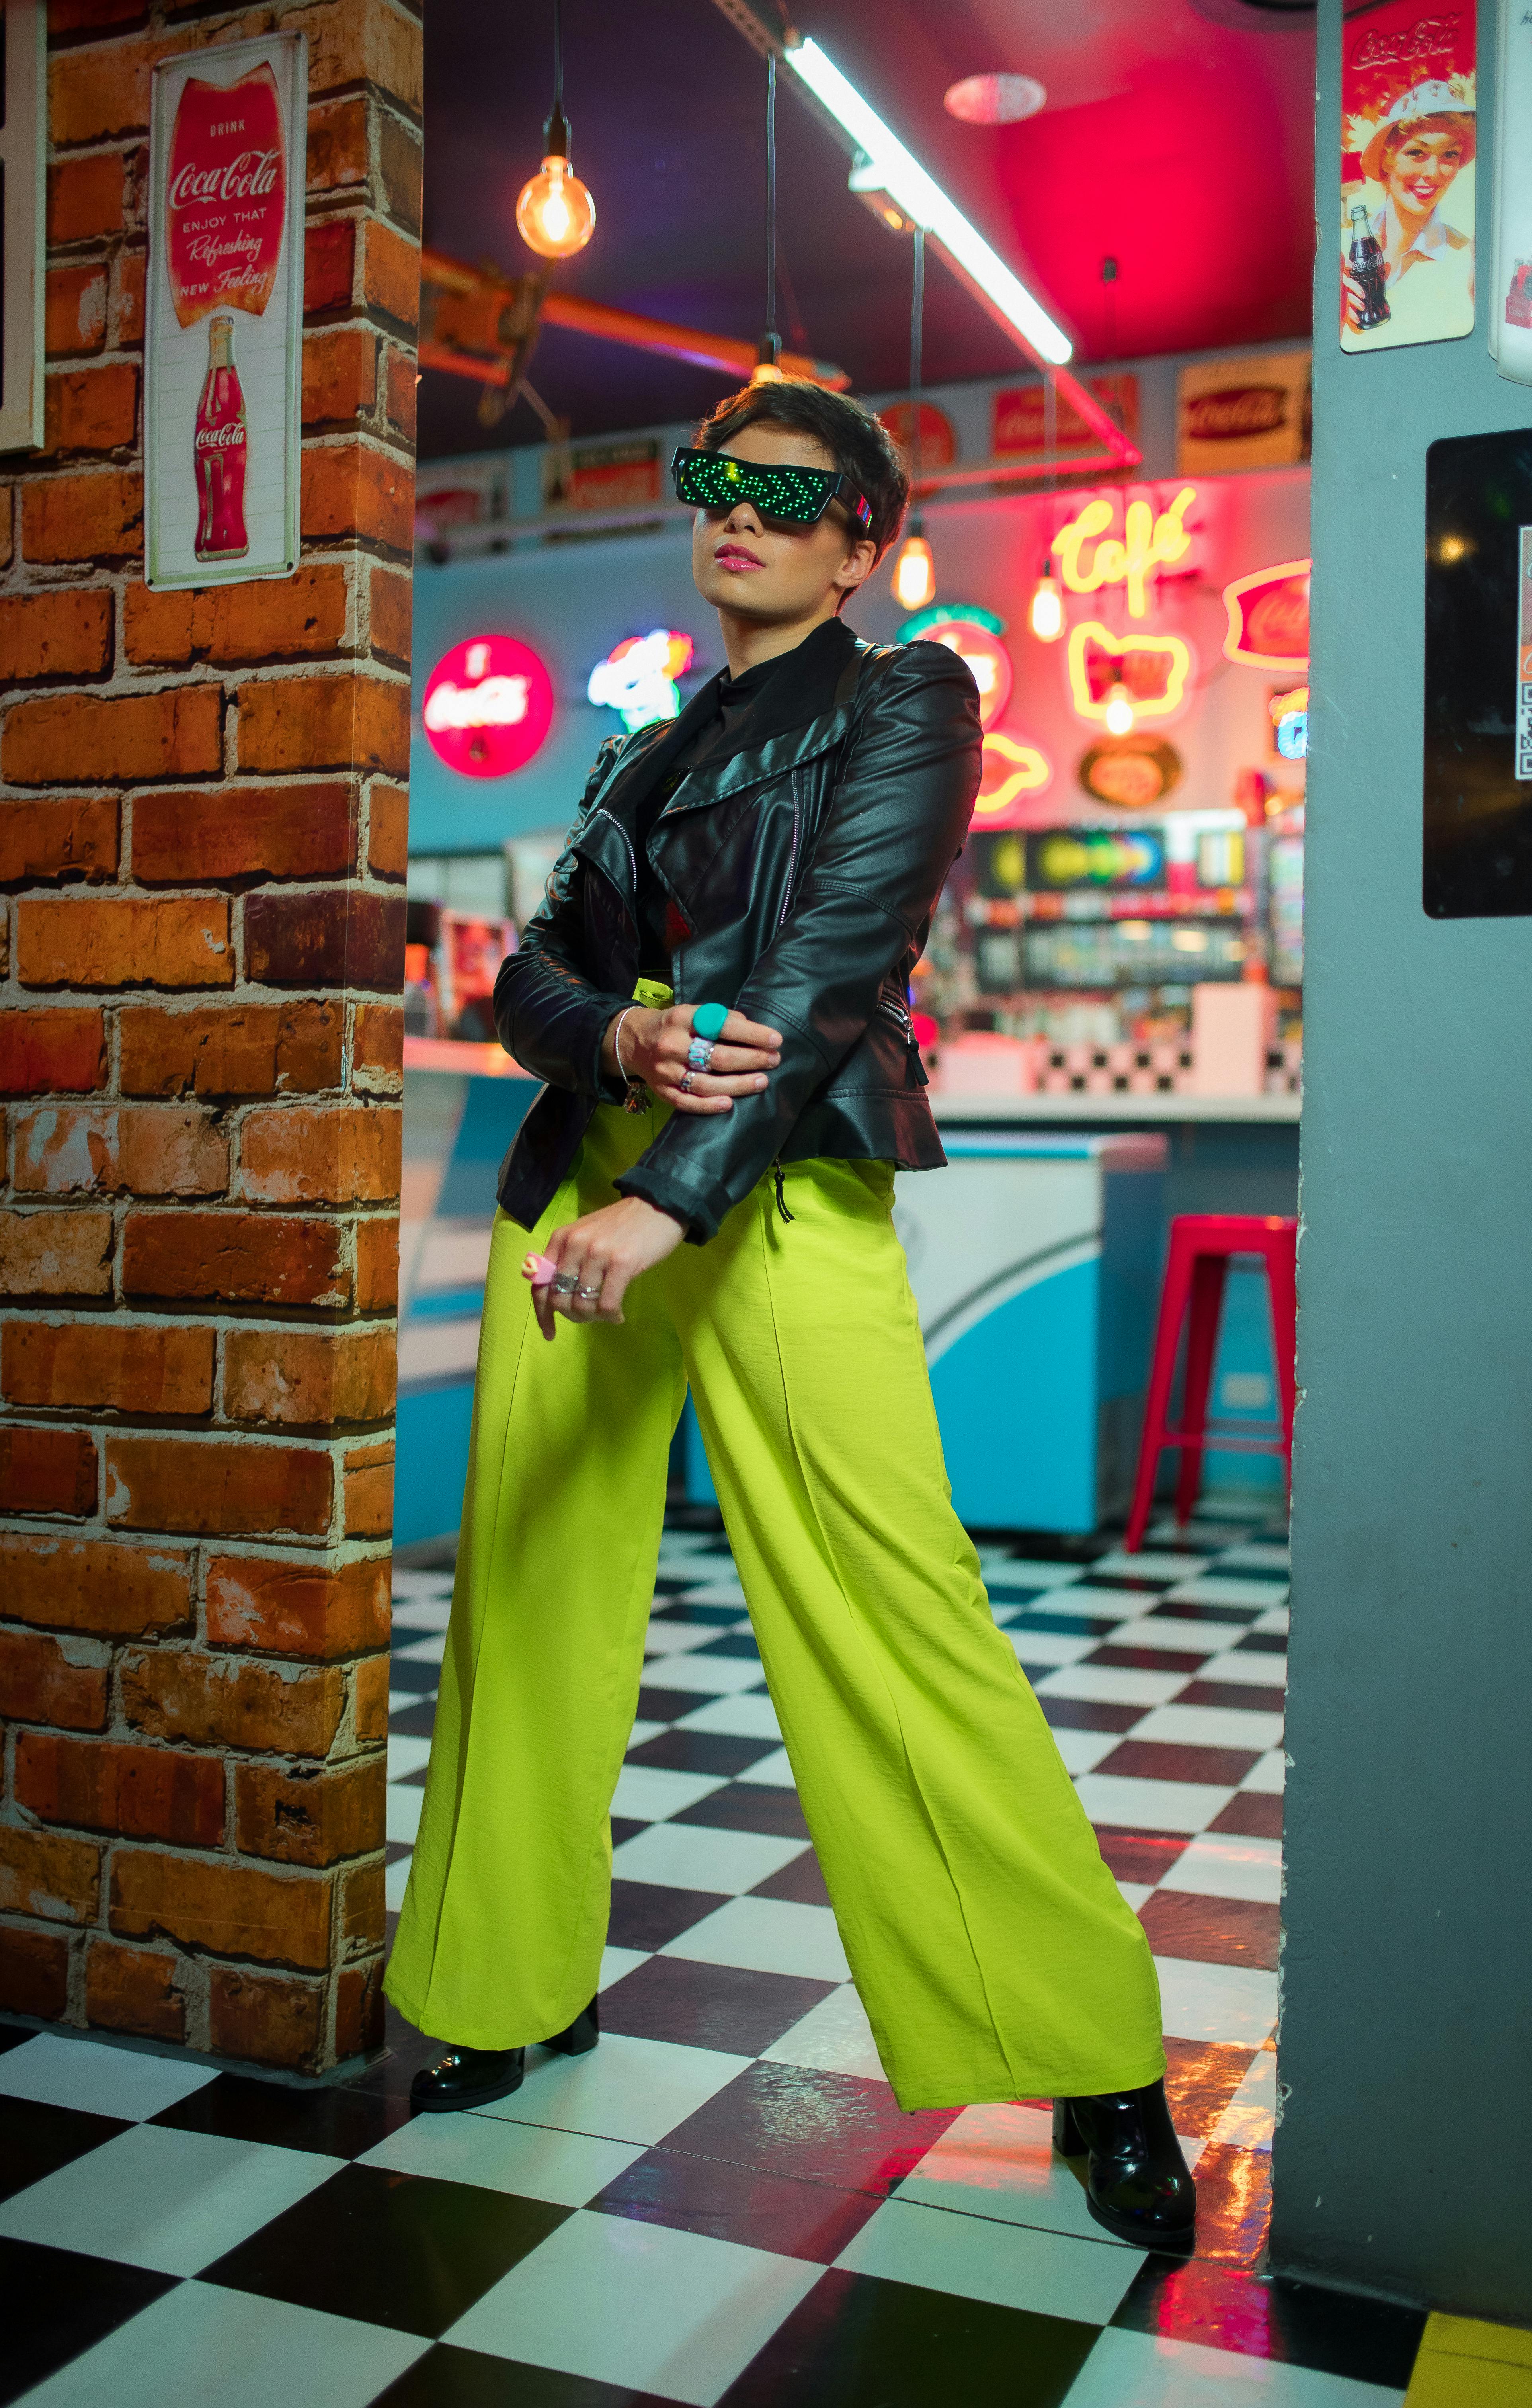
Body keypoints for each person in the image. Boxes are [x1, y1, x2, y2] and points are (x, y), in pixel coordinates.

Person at [384, 378, 1195, 2248]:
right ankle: (512, 1985)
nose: (738, 510)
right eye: (713, 480)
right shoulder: (642, 758)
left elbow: (836, 967)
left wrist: (673, 1199)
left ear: (859, 542)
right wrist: (621, 1032)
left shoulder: (907, 694)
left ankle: (1094, 2053)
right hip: (587, 1190)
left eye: (788, 491)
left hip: (763, 1201)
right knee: (528, 1593)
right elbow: (525, 975)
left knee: (888, 1600)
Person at [1341, 80, 1475, 346]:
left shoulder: (1468, 258)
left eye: (1450, 154)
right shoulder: (1340, 247)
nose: (1434, 173)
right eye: (1417, 152)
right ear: (1386, 159)